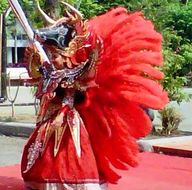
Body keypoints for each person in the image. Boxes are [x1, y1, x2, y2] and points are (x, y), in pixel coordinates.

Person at [20, 2, 168, 189]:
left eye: (55, 54)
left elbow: (81, 92)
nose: (52, 58)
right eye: (50, 54)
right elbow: (39, 81)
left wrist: (64, 92)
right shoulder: (50, 72)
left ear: (66, 54)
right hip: (49, 121)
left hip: (68, 122)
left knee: (69, 157)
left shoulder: (76, 73)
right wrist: (36, 59)